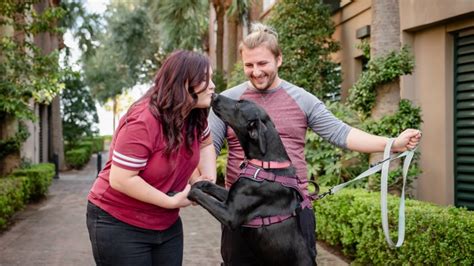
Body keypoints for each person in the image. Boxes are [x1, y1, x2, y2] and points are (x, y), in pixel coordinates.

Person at [209, 23, 422, 265]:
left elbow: (340, 133)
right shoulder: (229, 102)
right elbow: (208, 148)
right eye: (249, 65)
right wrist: (198, 181)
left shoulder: (302, 99)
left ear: (279, 59)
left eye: (263, 63)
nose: (256, 71)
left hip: (293, 216)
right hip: (242, 217)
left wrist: (392, 143)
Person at [86, 50, 217, 266]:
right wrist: (170, 201)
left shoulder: (194, 115)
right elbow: (121, 179)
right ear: (182, 84)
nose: (212, 85)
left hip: (165, 223)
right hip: (119, 222)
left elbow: (206, 144)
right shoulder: (143, 120)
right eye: (205, 79)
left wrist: (206, 179)